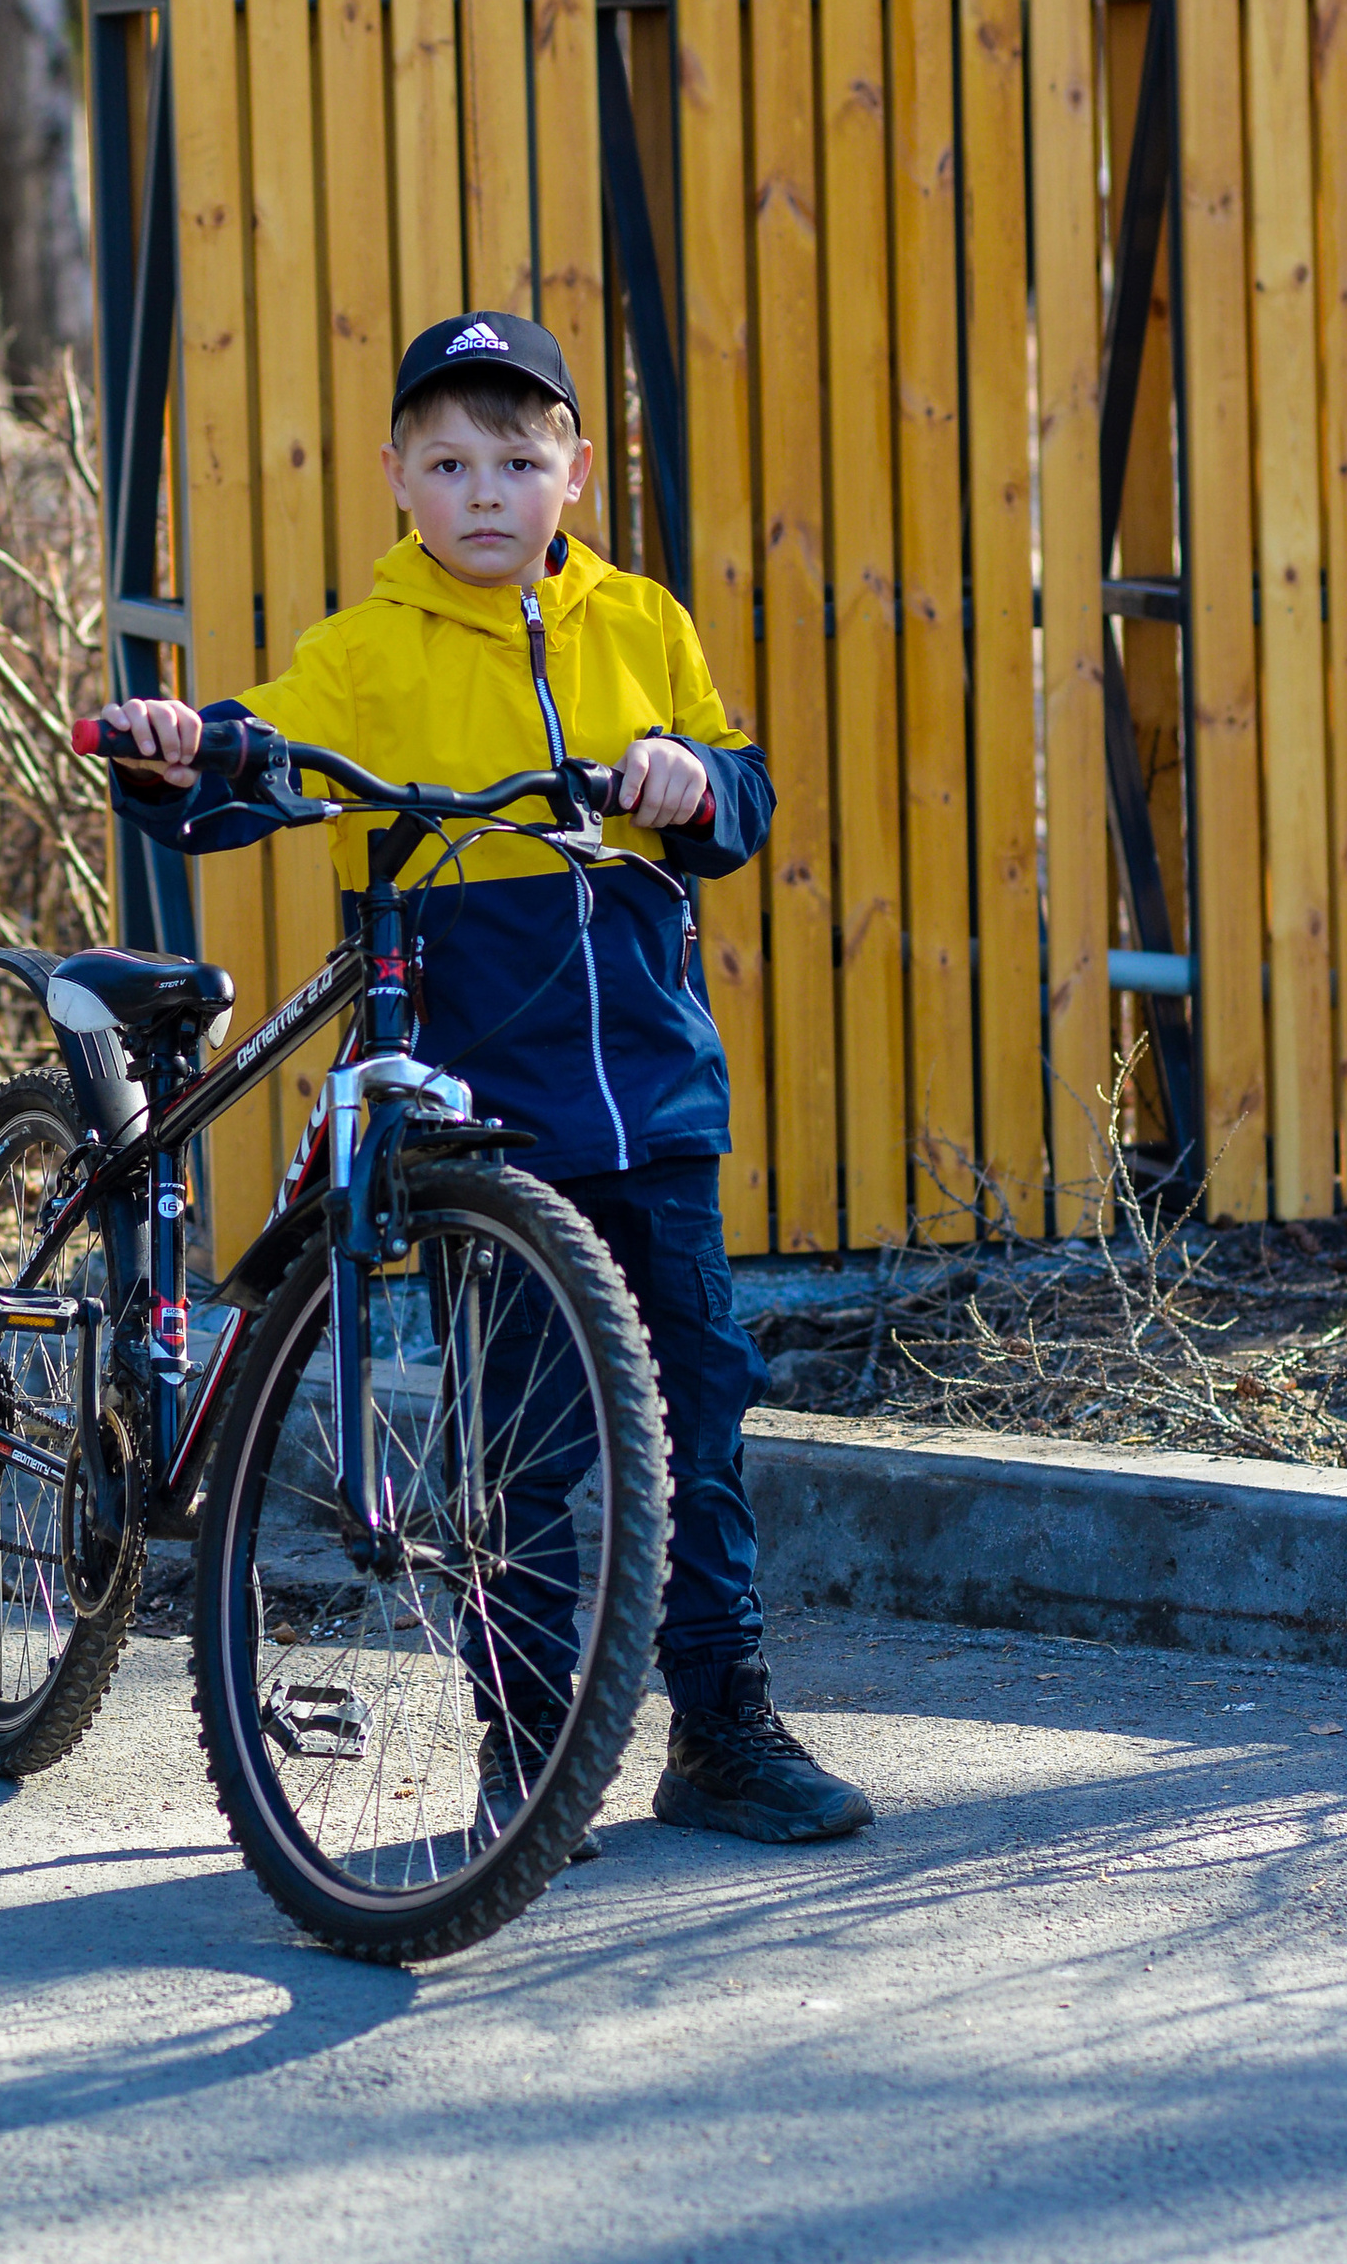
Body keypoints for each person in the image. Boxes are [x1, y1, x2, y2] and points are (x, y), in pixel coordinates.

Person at [101, 307, 873, 1850]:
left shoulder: (641, 624)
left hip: (652, 1099)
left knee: (698, 1420)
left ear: (574, 472)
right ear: (396, 476)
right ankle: (531, 1747)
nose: (484, 491)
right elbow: (262, 750)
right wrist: (183, 742)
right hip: (489, 1122)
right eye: (449, 461)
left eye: (518, 459)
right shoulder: (374, 647)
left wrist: (688, 777)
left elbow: (740, 787)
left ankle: (721, 1728)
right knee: (522, 1440)